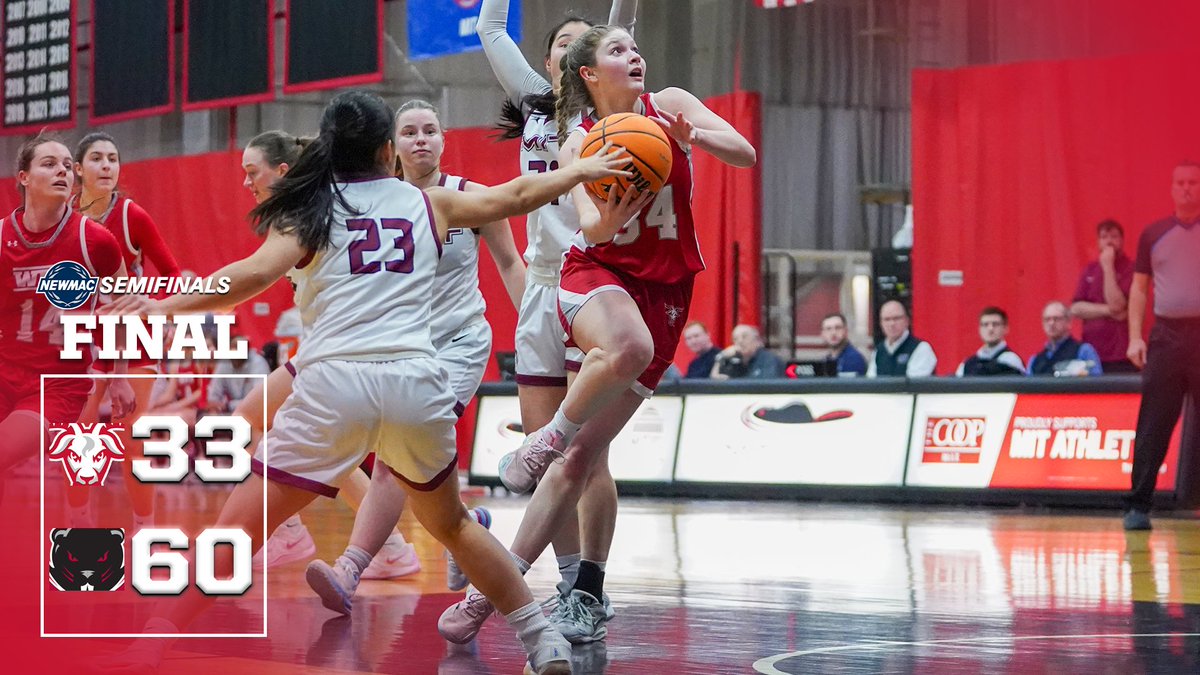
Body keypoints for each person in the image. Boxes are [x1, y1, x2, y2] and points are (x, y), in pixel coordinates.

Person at [97, 90, 628, 674]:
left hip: (335, 386)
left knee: (235, 533)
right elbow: (518, 195)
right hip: (414, 384)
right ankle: (541, 638)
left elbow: (247, 276)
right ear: (386, 150)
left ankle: (152, 641)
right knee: (451, 525)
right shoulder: (430, 203)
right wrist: (580, 167)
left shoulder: (311, 210)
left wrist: (162, 306)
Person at [442, 23, 755, 645]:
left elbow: (743, 152)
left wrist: (698, 139)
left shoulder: (669, 104)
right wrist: (612, 205)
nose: (634, 56)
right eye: (618, 51)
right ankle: (546, 439)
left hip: (666, 290)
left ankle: (501, 595)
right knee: (624, 352)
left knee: (581, 460)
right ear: (588, 74)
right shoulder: (577, 140)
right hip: (596, 272)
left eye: (635, 48)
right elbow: (591, 227)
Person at [305, 98, 529, 614]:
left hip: (458, 346)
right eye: (410, 132)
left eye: (431, 130)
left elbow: (511, 264)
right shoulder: (377, 203)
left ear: (445, 140)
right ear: (393, 145)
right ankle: (467, 534)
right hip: (401, 350)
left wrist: (538, 333)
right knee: (416, 465)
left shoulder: (466, 197)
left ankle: (350, 569)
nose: (421, 139)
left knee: (392, 461)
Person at [479, 0, 637, 633]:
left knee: (586, 456)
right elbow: (491, 28)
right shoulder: (539, 105)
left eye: (587, 42)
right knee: (543, 451)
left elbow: (622, 25)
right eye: (563, 42)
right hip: (543, 290)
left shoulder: (610, 112)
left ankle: (590, 589)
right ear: (548, 62)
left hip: (595, 282)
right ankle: (569, 583)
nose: (576, 49)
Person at [237, 130, 415, 576]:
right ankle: (390, 546)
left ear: (282, 172)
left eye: (251, 172)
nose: (246, 183)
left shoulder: (310, 213)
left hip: (346, 348)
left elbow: (254, 273)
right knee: (263, 423)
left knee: (251, 420)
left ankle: (296, 532)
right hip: (329, 346)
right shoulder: (311, 206)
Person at [0, 134, 134, 478]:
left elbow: (125, 308)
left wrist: (120, 377)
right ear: (23, 177)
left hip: (58, 385)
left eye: (65, 166)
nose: (62, 171)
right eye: (48, 164)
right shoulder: (2, 237)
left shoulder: (95, 240)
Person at [69, 132, 182, 530]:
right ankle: (77, 524)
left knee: (133, 440)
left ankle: (144, 529)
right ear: (78, 169)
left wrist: (155, 308)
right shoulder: (62, 218)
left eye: (113, 158)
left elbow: (171, 274)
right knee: (78, 438)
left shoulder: (131, 214)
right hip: (83, 338)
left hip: (134, 338)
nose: (106, 166)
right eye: (97, 158)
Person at [1122, 161, 1200, 531]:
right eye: (1180, 182)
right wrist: (1136, 336)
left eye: (1193, 182)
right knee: (1153, 422)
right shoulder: (1154, 234)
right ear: (1171, 188)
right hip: (1167, 337)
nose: (1186, 188)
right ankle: (1138, 505)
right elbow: (1138, 289)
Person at [1070, 219, 1136, 373]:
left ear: (1122, 241)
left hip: (1120, 353)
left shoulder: (1131, 268)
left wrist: (1108, 267)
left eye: (1114, 237)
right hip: (1092, 351)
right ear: (1098, 242)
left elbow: (1118, 304)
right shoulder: (1090, 269)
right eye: (1104, 237)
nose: (1109, 241)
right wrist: (1109, 311)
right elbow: (1076, 309)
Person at [1027, 301, 1102, 376]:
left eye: (1056, 319)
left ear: (1068, 322)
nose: (1051, 323)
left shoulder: (1083, 351)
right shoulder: (1035, 360)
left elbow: (1095, 383)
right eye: (1047, 319)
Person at [867, 300, 937, 377]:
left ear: (907, 321)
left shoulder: (921, 348)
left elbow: (915, 386)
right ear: (881, 323)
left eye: (896, 318)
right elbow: (871, 383)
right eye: (887, 319)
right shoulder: (878, 351)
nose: (892, 323)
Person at [205, 335, 272, 414]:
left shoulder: (258, 363)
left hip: (256, 412)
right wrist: (215, 407)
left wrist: (229, 405)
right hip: (231, 412)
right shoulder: (224, 362)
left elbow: (259, 399)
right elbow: (213, 396)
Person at [955, 306, 1025, 376]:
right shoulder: (967, 365)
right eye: (985, 325)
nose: (990, 329)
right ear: (979, 329)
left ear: (1005, 328)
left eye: (995, 324)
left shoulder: (1011, 360)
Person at [711, 324, 785, 379]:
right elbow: (714, 380)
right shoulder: (733, 360)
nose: (740, 341)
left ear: (757, 340)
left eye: (745, 337)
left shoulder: (769, 359)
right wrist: (721, 357)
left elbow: (765, 386)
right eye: (735, 339)